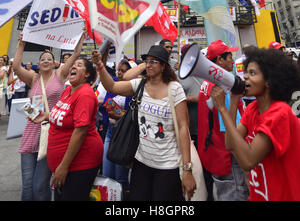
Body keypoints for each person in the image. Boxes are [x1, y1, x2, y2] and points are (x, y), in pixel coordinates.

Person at [92, 45, 196, 201]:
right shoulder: (140, 85)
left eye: (154, 61)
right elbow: (111, 86)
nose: (148, 65)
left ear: (163, 66)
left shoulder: (175, 89)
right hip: (141, 163)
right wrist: (100, 66)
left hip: (167, 166)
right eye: (147, 61)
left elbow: (183, 128)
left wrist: (187, 169)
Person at [211, 47, 300, 201]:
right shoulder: (253, 109)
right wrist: (233, 100)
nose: (244, 77)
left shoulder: (280, 114)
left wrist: (222, 109)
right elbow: (230, 143)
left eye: (252, 73)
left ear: (269, 81)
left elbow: (248, 161)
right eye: (246, 72)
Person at [13, 28, 86, 201]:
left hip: (50, 136)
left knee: (40, 187)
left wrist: (80, 35)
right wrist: (21, 44)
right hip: (30, 135)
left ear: (54, 63)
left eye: (49, 59)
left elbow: (75, 54)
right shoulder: (33, 78)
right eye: (42, 59)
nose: (46, 61)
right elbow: (16, 67)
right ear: (38, 64)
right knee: (27, 187)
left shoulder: (59, 75)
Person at [35, 56, 103, 201]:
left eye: (79, 65)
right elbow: (64, 116)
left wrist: (63, 167)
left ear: (87, 74)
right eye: (73, 64)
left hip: (79, 164)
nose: (73, 67)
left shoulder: (85, 94)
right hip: (63, 165)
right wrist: (46, 115)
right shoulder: (68, 90)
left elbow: (80, 131)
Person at [197, 40, 249, 201]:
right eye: (229, 57)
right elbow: (231, 128)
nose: (233, 60)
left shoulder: (207, 84)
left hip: (216, 154)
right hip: (229, 157)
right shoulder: (224, 85)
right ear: (219, 60)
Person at [101, 59, 132, 196]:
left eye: (123, 71)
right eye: (118, 70)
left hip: (124, 135)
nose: (120, 73)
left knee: (120, 178)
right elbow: (101, 69)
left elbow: (133, 113)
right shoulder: (112, 83)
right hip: (110, 132)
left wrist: (119, 114)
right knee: (107, 174)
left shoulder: (133, 88)